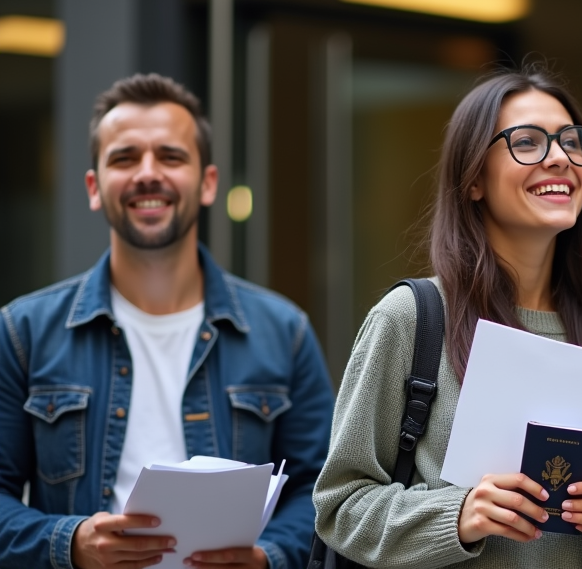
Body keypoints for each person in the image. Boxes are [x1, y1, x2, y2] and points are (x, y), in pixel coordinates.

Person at [312, 66, 582, 568]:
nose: (560, 158)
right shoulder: (410, 318)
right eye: (527, 142)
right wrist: (458, 515)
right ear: (473, 179)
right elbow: (340, 505)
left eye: (572, 142)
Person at [0, 74, 335, 569]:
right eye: (125, 157)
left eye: (171, 156)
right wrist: (70, 543)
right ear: (94, 187)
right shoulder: (23, 332)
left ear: (208, 183)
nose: (148, 173)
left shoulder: (284, 332)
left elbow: (325, 490)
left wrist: (268, 557)